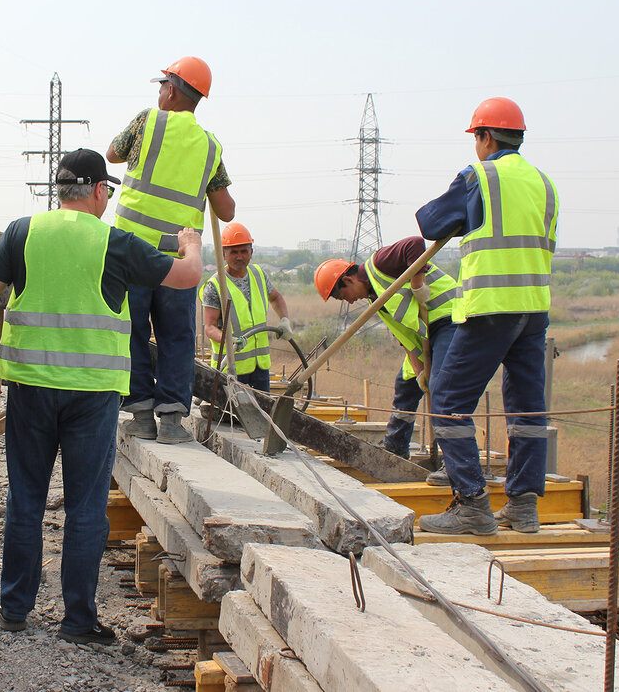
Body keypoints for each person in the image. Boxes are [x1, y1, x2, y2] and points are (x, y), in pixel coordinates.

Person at [0, 148, 202, 645]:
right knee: (85, 507)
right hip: (92, 395)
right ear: (99, 191)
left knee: (26, 498)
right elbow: (187, 278)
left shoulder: (21, 232)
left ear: (60, 190)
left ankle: (14, 609)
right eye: (108, 192)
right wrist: (191, 243)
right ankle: (78, 621)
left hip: (30, 389)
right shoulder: (115, 242)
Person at [414, 98, 559, 536]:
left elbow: (429, 221)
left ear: (485, 137)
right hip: (533, 311)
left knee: (448, 402)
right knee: (528, 410)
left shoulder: (480, 177)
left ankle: (473, 505)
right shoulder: (544, 183)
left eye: (476, 137)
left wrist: (463, 217)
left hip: (491, 308)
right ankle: (523, 506)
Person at [106, 56, 236, 443]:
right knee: (176, 335)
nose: (159, 93)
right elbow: (227, 210)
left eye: (162, 86)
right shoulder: (210, 146)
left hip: (131, 252)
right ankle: (173, 423)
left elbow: (113, 154)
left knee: (131, 330)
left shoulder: (148, 121)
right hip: (181, 256)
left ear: (172, 90)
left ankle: (142, 415)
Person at [314, 236, 459, 459]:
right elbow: (406, 339)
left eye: (343, 296)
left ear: (348, 280)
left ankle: (451, 462)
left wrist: (418, 284)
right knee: (406, 384)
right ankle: (395, 448)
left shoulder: (379, 264)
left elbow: (415, 244)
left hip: (449, 318)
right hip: (427, 335)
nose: (349, 302)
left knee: (442, 389)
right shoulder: (377, 299)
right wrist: (419, 370)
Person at [199, 222, 292, 393]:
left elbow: (276, 297)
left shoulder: (259, 275)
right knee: (231, 419)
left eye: (244, 251)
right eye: (233, 252)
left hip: (260, 368)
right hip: (230, 369)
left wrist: (284, 320)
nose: (239, 256)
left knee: (261, 415)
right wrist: (230, 340)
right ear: (223, 254)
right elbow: (210, 327)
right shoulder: (215, 285)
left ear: (251, 252)